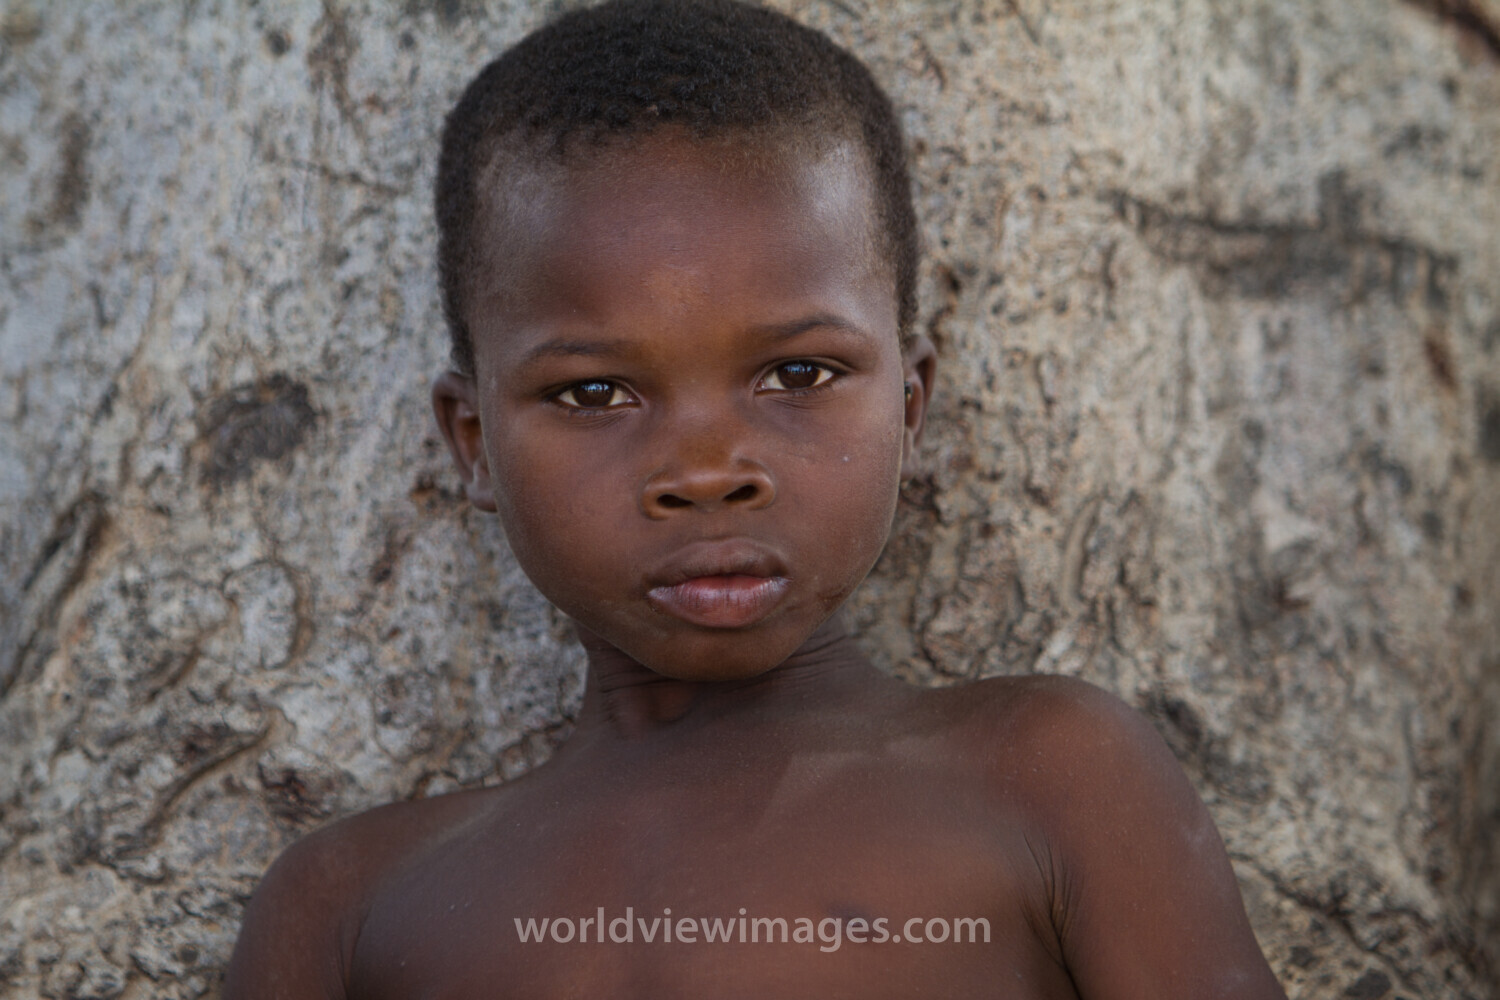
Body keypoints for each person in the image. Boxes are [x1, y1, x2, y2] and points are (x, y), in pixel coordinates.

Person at [225, 1, 1288, 996]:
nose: (709, 469)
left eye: (799, 375)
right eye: (594, 391)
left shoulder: (1052, 777)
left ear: (910, 402)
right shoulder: (349, 908)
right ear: (474, 441)